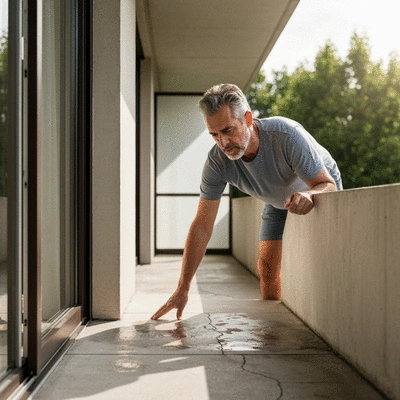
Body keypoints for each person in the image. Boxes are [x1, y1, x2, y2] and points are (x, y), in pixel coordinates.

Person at [151, 83, 342, 321]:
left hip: (314, 188)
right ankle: (273, 328)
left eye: (228, 130)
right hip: (277, 200)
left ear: (248, 119)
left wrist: (309, 195)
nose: (223, 142)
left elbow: (328, 184)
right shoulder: (217, 162)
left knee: (321, 269)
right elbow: (202, 226)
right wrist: (183, 288)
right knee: (267, 267)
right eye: (214, 135)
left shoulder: (286, 135)